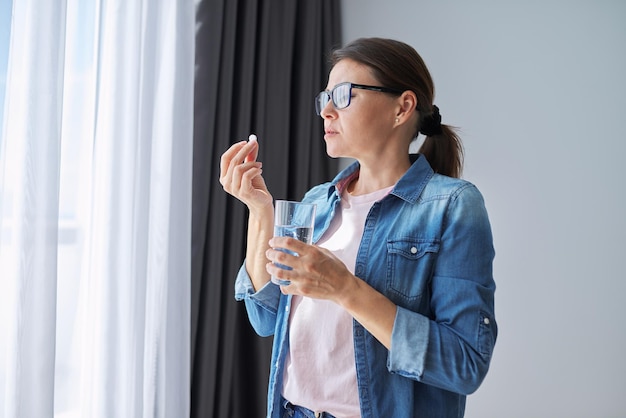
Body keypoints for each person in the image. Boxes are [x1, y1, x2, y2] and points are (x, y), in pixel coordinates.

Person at [219, 37, 497, 418]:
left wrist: (345, 288)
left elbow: (464, 364)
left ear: (402, 108)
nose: (327, 111)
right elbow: (264, 317)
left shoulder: (453, 205)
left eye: (345, 94)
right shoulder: (318, 202)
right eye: (325, 97)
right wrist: (259, 209)